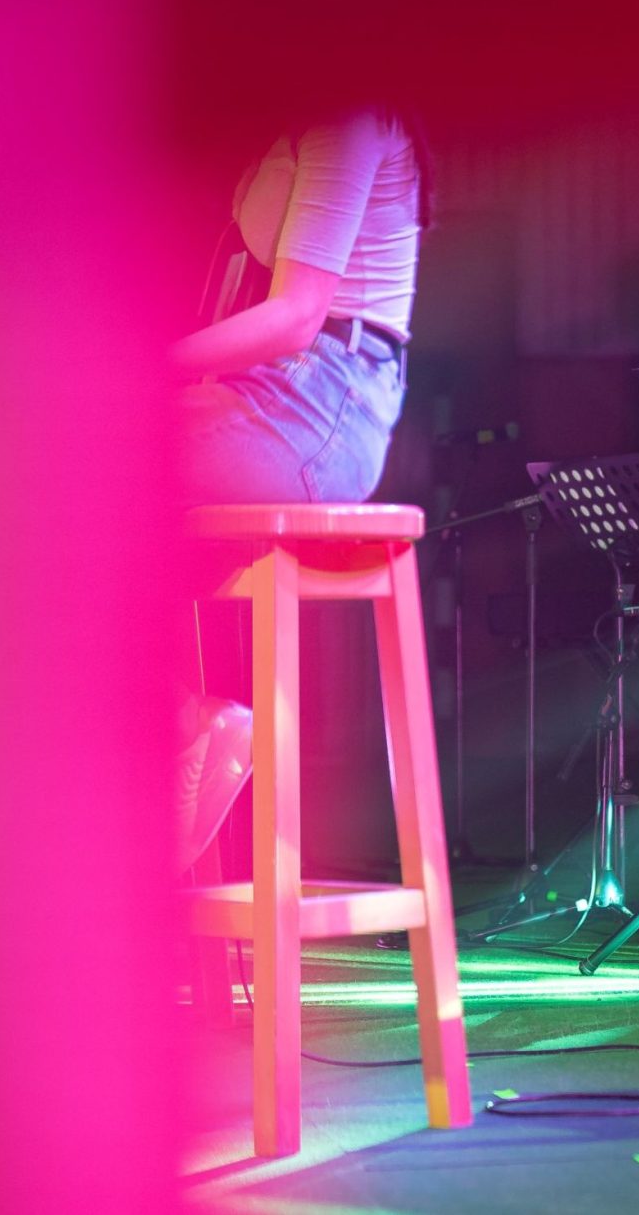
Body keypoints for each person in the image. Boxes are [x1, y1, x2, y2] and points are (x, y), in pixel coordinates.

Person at [170, 106, 429, 871]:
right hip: (270, 389)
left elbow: (295, 316)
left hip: (326, 399)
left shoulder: (350, 114)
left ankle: (179, 727)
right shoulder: (280, 117)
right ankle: (175, 729)